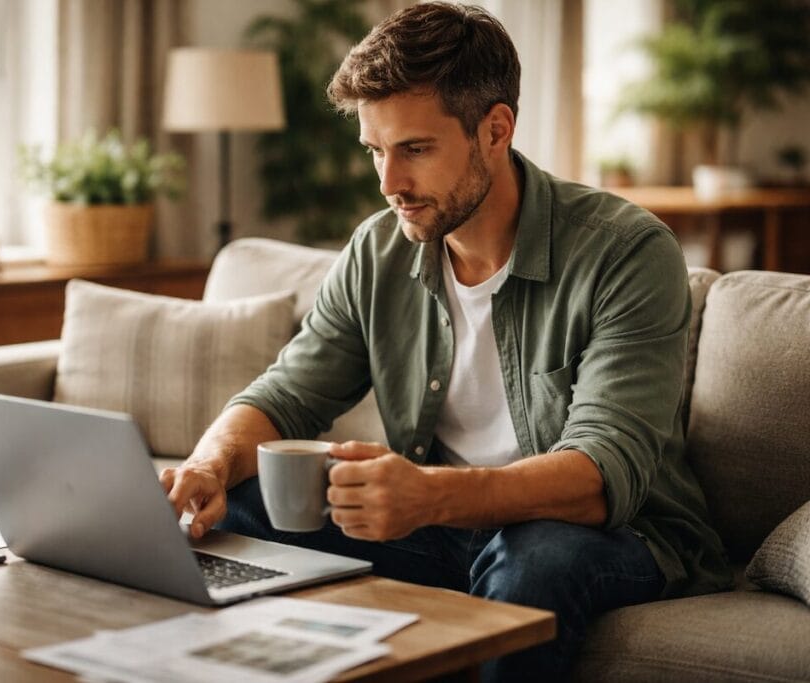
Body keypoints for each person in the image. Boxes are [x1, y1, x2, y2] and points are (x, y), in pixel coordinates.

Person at [160, 3, 731, 680]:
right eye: (376, 150)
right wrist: (209, 463)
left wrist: (429, 494)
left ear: (496, 129)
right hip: (439, 529)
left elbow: (603, 473)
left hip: (612, 533)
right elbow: (288, 395)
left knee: (537, 560)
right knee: (237, 513)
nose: (388, 183)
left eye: (415, 149)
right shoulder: (377, 251)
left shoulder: (626, 253)